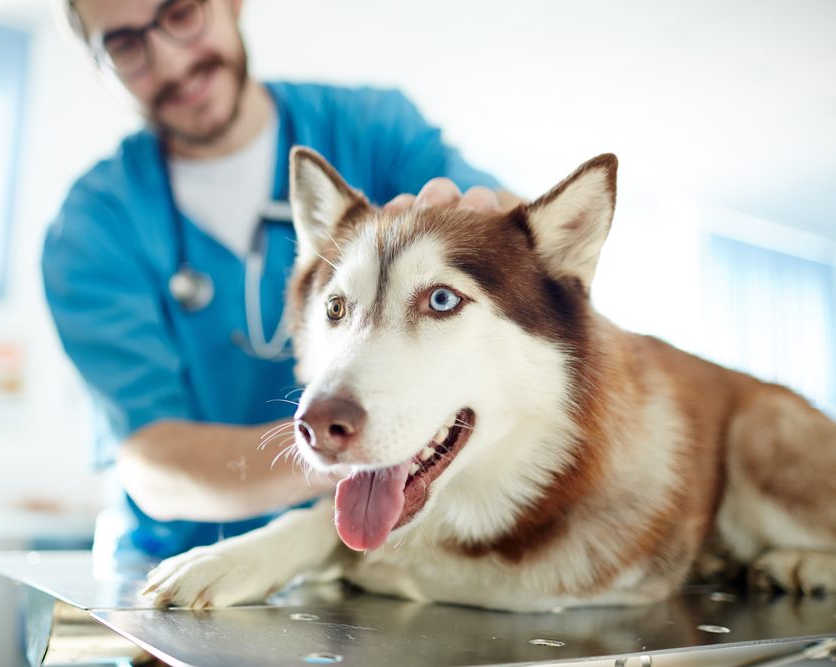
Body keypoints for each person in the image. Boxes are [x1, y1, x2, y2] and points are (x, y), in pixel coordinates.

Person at [42, 0, 524, 564]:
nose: (170, 64)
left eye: (180, 14)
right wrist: (355, 439)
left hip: (371, 562)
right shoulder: (96, 225)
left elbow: (525, 235)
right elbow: (155, 466)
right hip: (176, 562)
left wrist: (499, 231)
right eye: (124, 45)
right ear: (98, 66)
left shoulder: (370, 130)